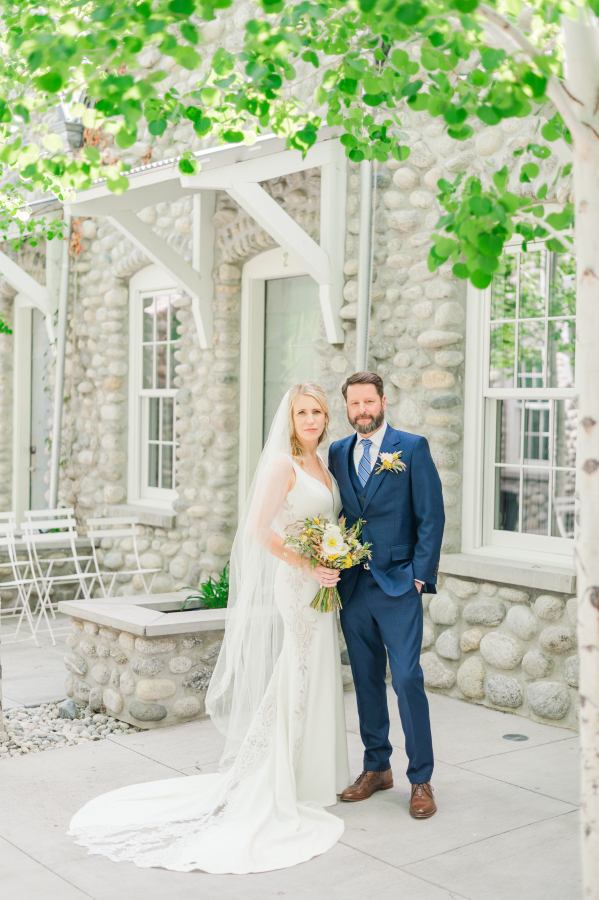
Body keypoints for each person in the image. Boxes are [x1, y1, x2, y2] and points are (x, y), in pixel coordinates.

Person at [68, 383, 350, 873]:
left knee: (317, 670)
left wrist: (333, 557)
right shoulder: (283, 464)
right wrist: (309, 566)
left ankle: (315, 773)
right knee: (299, 670)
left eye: (318, 412)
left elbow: (326, 523)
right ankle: (281, 776)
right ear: (291, 418)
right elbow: (259, 531)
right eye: (303, 411)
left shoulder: (322, 465)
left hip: (322, 581)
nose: (311, 419)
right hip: (298, 584)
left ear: (327, 419)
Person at [328, 371, 444, 819]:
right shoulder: (339, 452)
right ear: (348, 407)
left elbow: (431, 515)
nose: (362, 410)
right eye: (354, 404)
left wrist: (420, 575)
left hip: (398, 584)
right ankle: (377, 767)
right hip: (353, 585)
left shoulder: (411, 448)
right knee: (365, 679)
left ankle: (421, 779)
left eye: (368, 402)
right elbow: (341, 511)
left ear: (382, 401)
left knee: (408, 678)